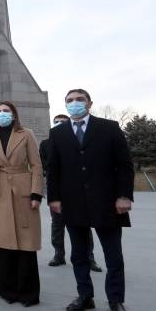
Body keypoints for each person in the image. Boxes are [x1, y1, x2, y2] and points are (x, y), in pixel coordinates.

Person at [47, 89, 134, 311]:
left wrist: (124, 196)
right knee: (79, 254)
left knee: (113, 256)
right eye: (69, 100)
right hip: (73, 203)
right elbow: (53, 168)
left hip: (107, 203)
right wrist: (53, 198)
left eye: (79, 99)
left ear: (89, 103)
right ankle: (85, 296)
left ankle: (116, 301)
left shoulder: (109, 127)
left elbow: (125, 165)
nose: (74, 103)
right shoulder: (58, 133)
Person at [0, 101, 43, 307]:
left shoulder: (26, 134)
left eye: (6, 111)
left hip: (23, 191)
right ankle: (7, 290)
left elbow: (36, 165)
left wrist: (36, 193)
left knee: (26, 242)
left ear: (14, 114)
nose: (3, 114)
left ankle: (28, 292)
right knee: (4, 242)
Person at [40, 114, 101, 271]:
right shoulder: (46, 143)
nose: (59, 124)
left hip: (79, 190)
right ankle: (58, 254)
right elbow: (45, 164)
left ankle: (89, 257)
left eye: (63, 122)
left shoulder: (80, 139)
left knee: (84, 225)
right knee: (57, 224)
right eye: (56, 122)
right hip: (58, 190)